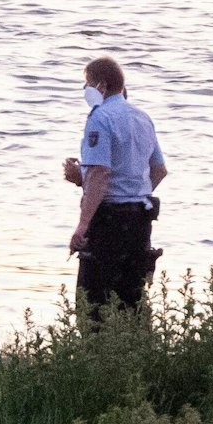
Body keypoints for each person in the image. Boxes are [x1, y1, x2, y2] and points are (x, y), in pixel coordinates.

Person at [63, 56, 168, 317]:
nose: (85, 91)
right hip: (140, 220)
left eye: (86, 84)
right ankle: (138, 352)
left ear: (101, 85)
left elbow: (100, 174)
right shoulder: (142, 117)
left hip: (108, 223)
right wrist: (133, 191)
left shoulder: (100, 118)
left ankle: (95, 353)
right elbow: (158, 170)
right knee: (133, 299)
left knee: (93, 304)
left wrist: (83, 225)